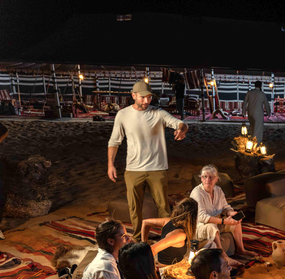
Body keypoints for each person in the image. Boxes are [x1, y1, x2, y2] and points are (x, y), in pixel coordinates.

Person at [107, 80, 189, 242]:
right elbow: (114, 142)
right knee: (134, 208)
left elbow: (180, 123)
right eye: (143, 97)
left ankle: (168, 238)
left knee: (163, 207)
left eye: (149, 97)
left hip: (157, 169)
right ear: (133, 96)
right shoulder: (123, 115)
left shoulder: (158, 114)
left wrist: (181, 129)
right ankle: (138, 239)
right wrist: (110, 164)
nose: (146, 101)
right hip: (133, 170)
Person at [141, 198, 241, 267]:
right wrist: (153, 275)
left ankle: (224, 260)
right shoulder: (179, 235)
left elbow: (145, 222)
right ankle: (224, 264)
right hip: (171, 269)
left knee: (210, 243)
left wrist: (143, 242)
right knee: (208, 253)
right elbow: (151, 251)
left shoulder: (168, 221)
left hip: (172, 258)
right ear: (192, 217)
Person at [190, 165, 249, 257]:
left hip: (217, 222)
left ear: (216, 179)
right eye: (205, 177)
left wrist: (231, 213)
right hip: (200, 227)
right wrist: (224, 221)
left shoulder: (218, 190)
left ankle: (241, 249)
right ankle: (223, 255)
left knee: (236, 221)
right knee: (212, 227)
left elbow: (225, 207)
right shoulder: (197, 193)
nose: (207, 180)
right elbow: (201, 217)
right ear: (201, 179)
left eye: (211, 177)